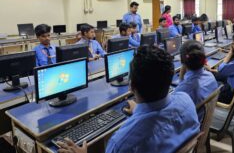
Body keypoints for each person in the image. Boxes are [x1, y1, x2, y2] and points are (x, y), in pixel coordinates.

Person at [57, 46, 200, 153]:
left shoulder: (122, 143)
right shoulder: (186, 101)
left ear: (131, 86)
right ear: (169, 78)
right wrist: (139, 110)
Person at [174, 40, 218, 120]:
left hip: (193, 125)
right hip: (206, 117)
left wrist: (181, 79)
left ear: (182, 61)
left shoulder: (183, 90)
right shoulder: (210, 76)